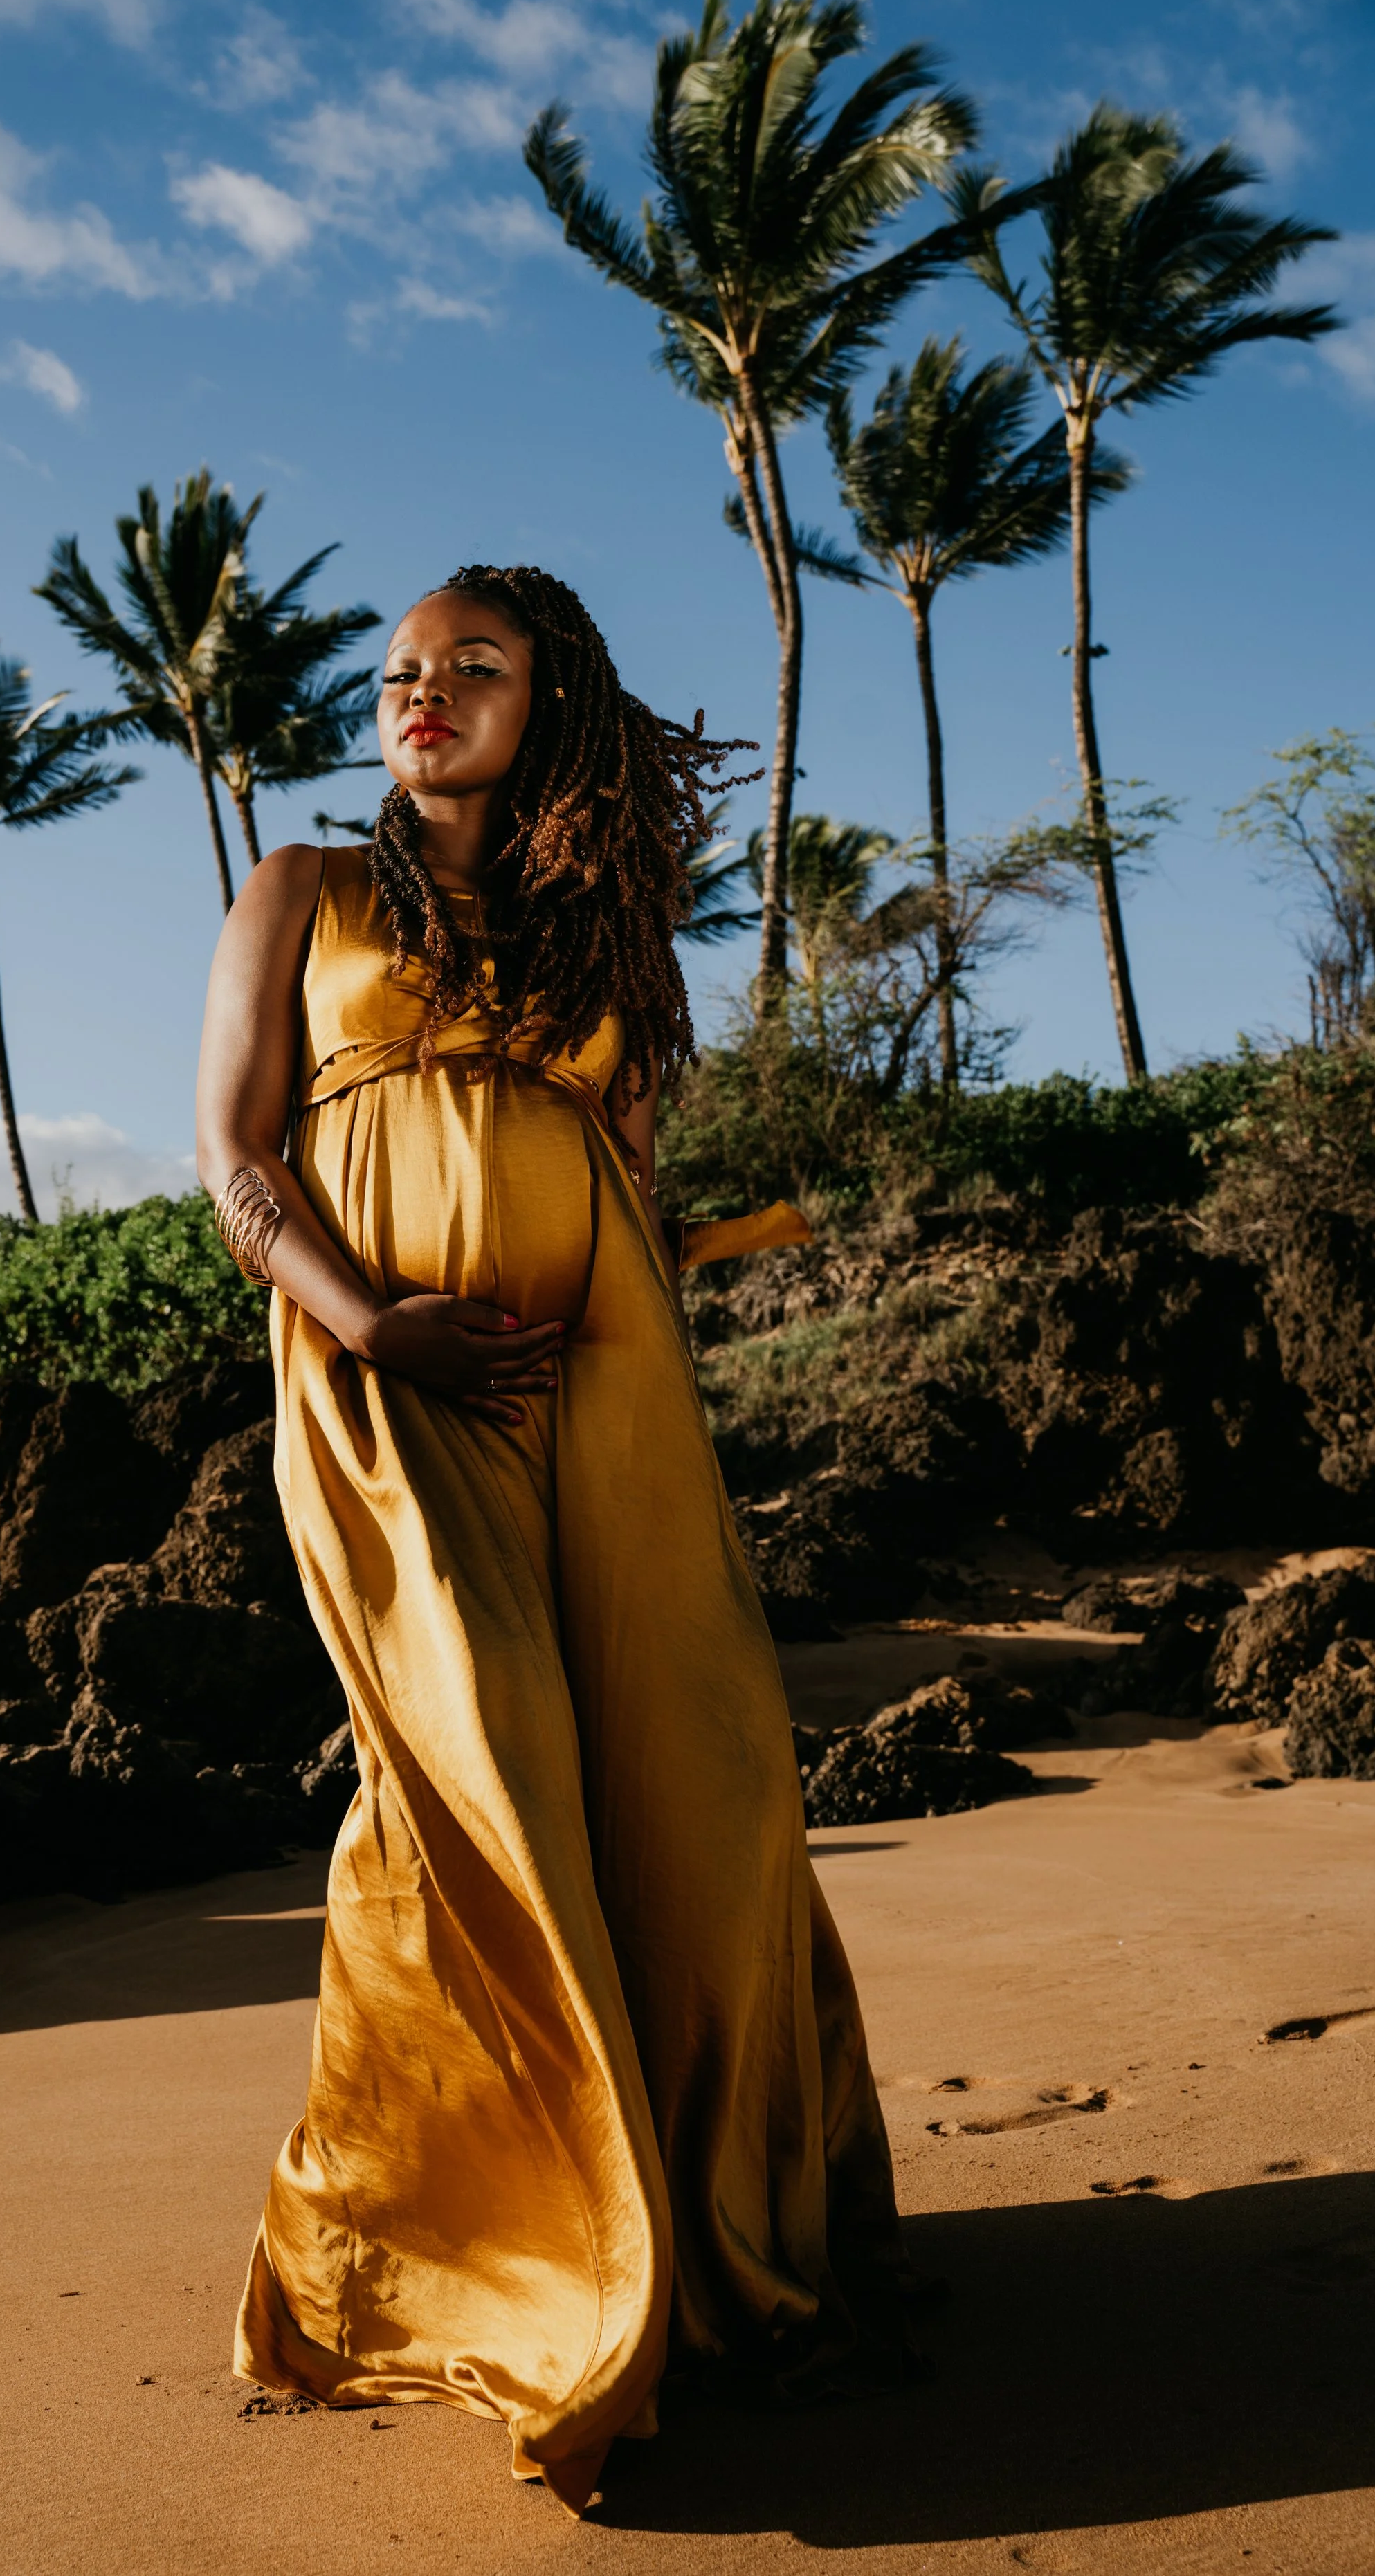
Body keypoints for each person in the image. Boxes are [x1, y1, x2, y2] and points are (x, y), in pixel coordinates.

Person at [194, 563, 909, 2516]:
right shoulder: (302, 888)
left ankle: (724, 2251)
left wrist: (675, 1273)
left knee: (706, 1779)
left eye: (472, 668)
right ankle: (514, 2276)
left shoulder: (608, 924)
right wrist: (376, 1321)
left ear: (547, 701)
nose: (422, 694)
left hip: (603, 1386)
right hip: (385, 1385)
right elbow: (236, 1152)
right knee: (484, 1777)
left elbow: (617, 1162)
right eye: (401, 669)